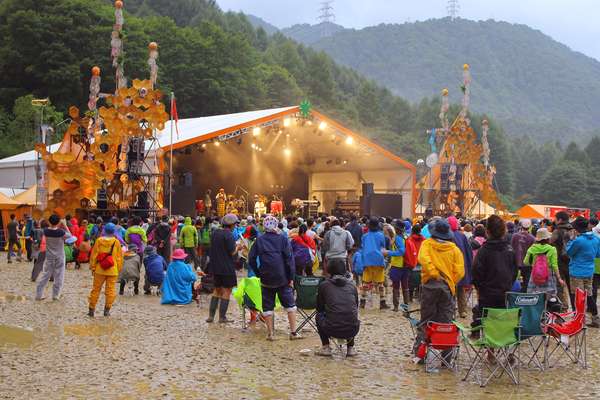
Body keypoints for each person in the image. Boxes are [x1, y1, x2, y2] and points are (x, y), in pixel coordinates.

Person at [413, 219, 464, 358]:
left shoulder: (427, 244)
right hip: (447, 287)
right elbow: (460, 271)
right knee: (446, 319)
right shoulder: (454, 249)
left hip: (430, 284)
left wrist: (434, 274)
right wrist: (450, 281)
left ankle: (420, 353)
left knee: (426, 319)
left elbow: (423, 259)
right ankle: (447, 355)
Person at [248, 215, 300, 340]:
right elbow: (289, 259)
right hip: (282, 277)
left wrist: (258, 272)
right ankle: (293, 333)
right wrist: (291, 277)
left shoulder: (259, 240)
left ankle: (270, 334)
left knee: (267, 306)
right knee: (290, 305)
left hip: (266, 277)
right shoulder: (283, 239)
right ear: (276, 225)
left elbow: (251, 258)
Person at [471, 215, 518, 329]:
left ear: (487, 231)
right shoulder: (510, 250)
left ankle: (489, 346)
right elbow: (514, 272)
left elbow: (476, 273)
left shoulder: (483, 251)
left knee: (488, 326)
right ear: (503, 231)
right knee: (501, 327)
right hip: (505, 294)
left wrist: (480, 288)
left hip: (487, 296)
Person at [315, 259, 360, 357]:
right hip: (353, 329)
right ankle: (350, 348)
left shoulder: (324, 285)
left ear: (329, 270)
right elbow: (356, 307)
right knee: (351, 314)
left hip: (331, 328)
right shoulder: (352, 286)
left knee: (318, 316)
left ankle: (326, 347)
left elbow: (319, 308)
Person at [206, 213, 240, 323]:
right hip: (227, 267)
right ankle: (222, 317)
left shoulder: (215, 233)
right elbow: (232, 252)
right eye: (235, 224)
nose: (235, 226)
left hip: (216, 267)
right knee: (227, 291)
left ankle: (211, 316)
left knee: (216, 290)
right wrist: (239, 247)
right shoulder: (229, 235)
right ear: (232, 225)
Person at [566, 216, 600, 327]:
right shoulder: (596, 239)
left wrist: (571, 240)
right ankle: (595, 318)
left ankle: (579, 320)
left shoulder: (578, 240)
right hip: (589, 271)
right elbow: (598, 254)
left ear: (576, 229)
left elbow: (569, 252)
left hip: (576, 272)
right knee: (589, 295)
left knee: (577, 296)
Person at [88, 223, 123, 317]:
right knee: (110, 290)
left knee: (95, 289)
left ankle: (91, 309)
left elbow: (94, 255)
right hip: (112, 270)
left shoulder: (99, 241)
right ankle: (107, 310)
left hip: (100, 269)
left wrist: (93, 267)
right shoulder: (116, 242)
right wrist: (118, 269)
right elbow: (119, 257)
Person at [35, 215, 72, 301]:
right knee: (59, 276)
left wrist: (57, 224)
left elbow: (51, 228)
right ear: (58, 222)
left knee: (45, 276)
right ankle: (55, 295)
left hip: (49, 257)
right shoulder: (61, 232)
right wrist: (65, 225)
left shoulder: (46, 231)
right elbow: (70, 236)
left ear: (50, 221)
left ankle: (38, 295)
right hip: (59, 257)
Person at [359, 217, 388, 309]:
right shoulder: (381, 235)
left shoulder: (364, 236)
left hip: (367, 260)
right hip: (378, 260)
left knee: (365, 282)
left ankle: (362, 302)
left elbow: (362, 247)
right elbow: (382, 247)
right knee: (380, 282)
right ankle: (382, 302)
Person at [523, 228, 563, 295]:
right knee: (549, 297)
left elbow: (526, 262)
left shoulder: (531, 249)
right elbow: (554, 265)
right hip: (548, 276)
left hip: (535, 276)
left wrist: (534, 264)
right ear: (547, 238)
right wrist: (559, 278)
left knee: (535, 297)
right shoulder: (552, 249)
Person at [448, 216, 473, 318]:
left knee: (451, 290)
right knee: (461, 290)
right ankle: (462, 311)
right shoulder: (462, 236)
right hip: (461, 267)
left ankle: (452, 311)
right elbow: (468, 252)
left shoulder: (446, 236)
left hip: (450, 268)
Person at [551, 211, 573, 307]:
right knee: (572, 288)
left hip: (560, 262)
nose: (554, 220)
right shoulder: (573, 230)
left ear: (559, 220)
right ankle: (575, 310)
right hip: (572, 263)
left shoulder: (557, 231)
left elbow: (550, 244)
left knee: (559, 286)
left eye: (555, 219)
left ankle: (562, 309)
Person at [384, 221, 407, 311]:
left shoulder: (397, 238)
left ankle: (396, 307)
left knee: (396, 287)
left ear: (397, 229)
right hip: (406, 264)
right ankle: (406, 307)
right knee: (405, 287)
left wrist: (388, 252)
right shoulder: (406, 236)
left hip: (397, 265)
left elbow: (401, 252)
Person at [511, 218, 536, 293]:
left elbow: (511, 248)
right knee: (526, 283)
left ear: (521, 226)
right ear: (530, 227)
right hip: (527, 264)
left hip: (515, 263)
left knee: (514, 281)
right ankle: (524, 298)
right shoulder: (532, 238)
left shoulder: (515, 236)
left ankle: (514, 297)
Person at [405, 224, 426, 303]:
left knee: (410, 281)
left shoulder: (409, 240)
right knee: (421, 280)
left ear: (412, 231)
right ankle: (419, 296)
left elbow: (407, 252)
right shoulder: (424, 240)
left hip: (411, 262)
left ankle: (410, 298)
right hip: (422, 262)